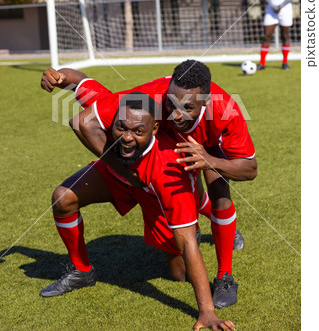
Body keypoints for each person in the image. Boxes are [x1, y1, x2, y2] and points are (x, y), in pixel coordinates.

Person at [42, 60, 257, 309]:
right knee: (63, 197)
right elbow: (89, 97)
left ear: (206, 101)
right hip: (131, 165)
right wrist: (61, 77)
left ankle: (224, 276)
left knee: (185, 263)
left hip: (174, 166)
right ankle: (81, 270)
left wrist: (208, 161)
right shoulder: (151, 95)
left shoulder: (225, 111)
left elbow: (250, 169)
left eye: (186, 107)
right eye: (171, 104)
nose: (176, 114)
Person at [257, 0, 298, 71]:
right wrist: (273, 5)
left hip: (285, 10)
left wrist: (281, 5)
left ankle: (285, 62)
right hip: (271, 10)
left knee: (285, 35)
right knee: (266, 36)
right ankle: (262, 63)